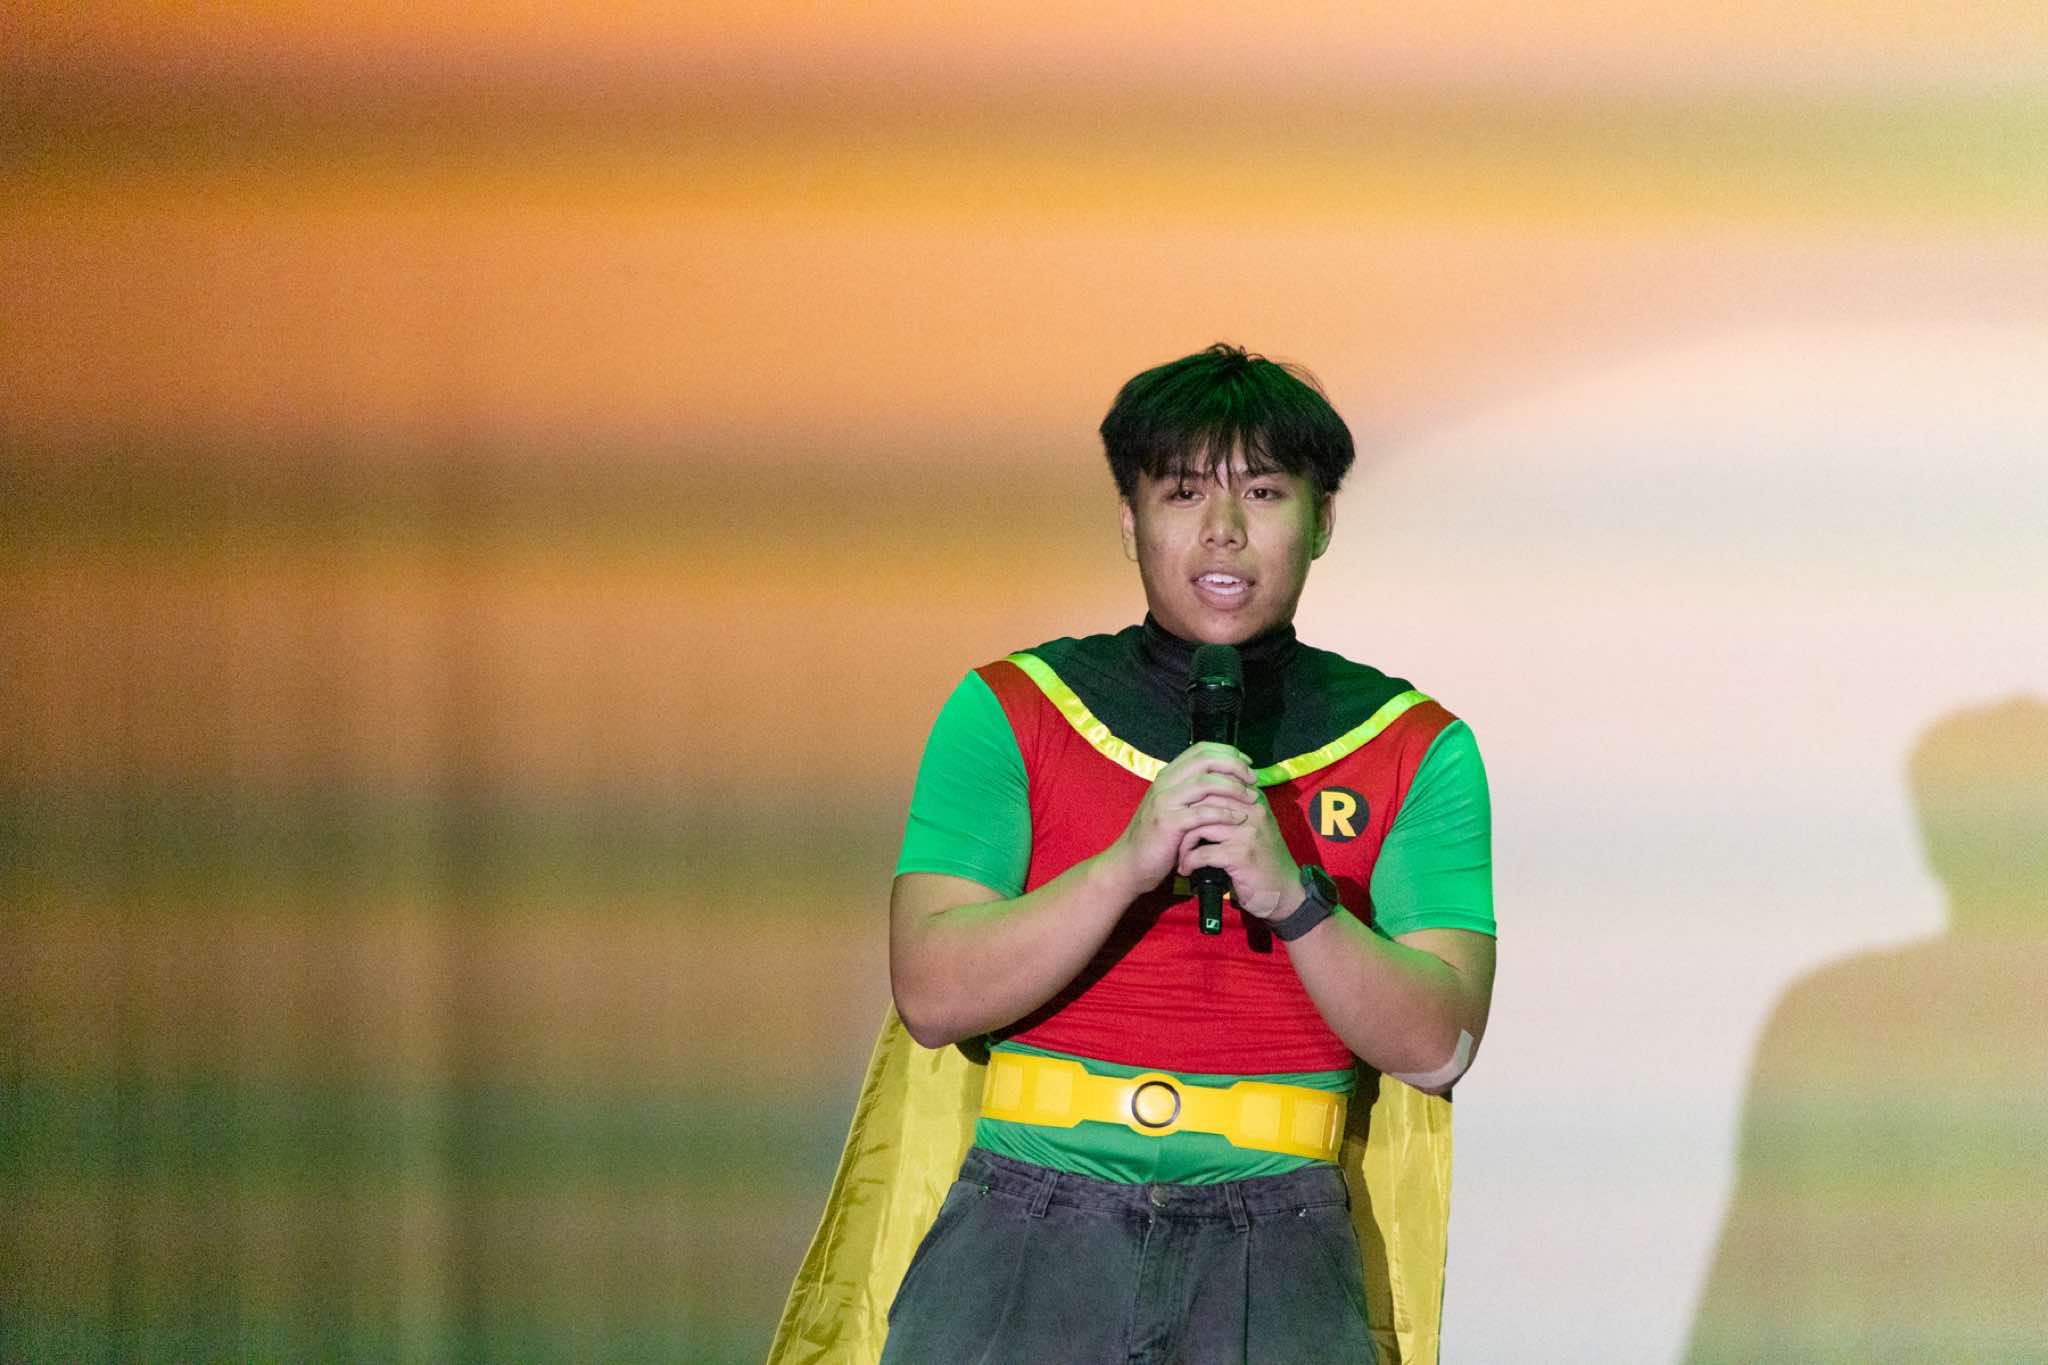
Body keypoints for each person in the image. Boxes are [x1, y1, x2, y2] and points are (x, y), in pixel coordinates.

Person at [773, 344, 1496, 1365]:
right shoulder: (1011, 708)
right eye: (1182, 491)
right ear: (1128, 520)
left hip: (1278, 1237)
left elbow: (1438, 1046)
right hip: (1026, 1219)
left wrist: (1293, 898)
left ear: (1323, 519)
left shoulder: (1414, 743)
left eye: (1263, 492)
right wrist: (1125, 863)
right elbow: (930, 994)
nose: (1223, 529)